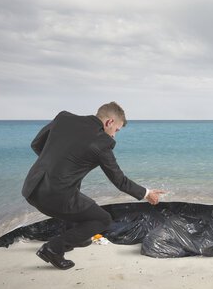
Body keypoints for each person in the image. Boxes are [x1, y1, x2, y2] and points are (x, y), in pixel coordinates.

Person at [22, 102, 165, 270]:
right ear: (109, 122)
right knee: (102, 219)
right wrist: (147, 193)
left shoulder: (64, 118)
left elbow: (36, 144)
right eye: (116, 130)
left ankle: (78, 236)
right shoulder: (102, 143)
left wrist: (57, 165)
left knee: (76, 192)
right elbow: (119, 180)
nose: (114, 136)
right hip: (54, 198)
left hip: (31, 189)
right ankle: (53, 249)